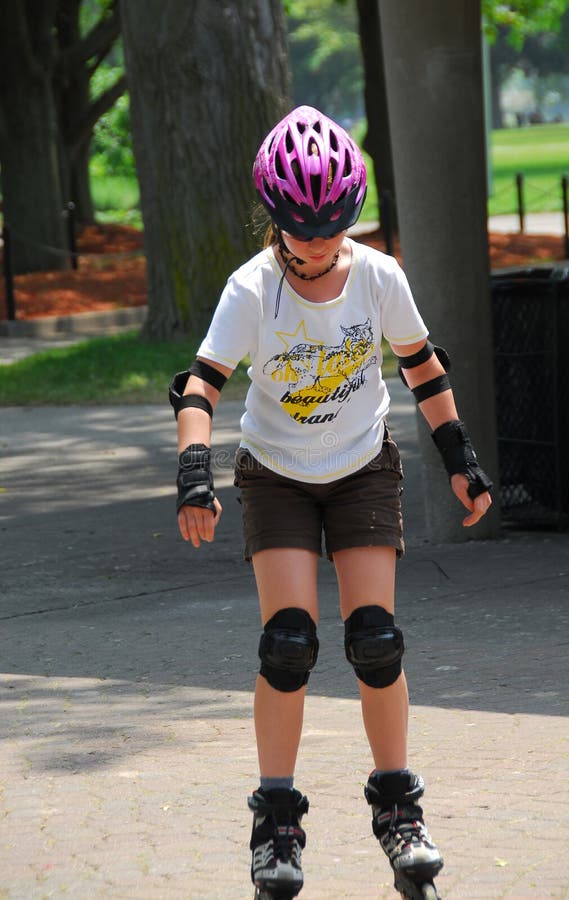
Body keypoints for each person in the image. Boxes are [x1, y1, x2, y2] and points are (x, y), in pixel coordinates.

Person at [171, 105, 492, 900]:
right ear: (273, 216)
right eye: (299, 228)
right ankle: (276, 822)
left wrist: (459, 460)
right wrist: (194, 476)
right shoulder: (252, 288)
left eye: (330, 227)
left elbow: (421, 367)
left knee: (375, 641)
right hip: (276, 474)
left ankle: (399, 812)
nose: (315, 243)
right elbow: (201, 385)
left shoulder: (378, 276)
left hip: (361, 470)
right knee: (287, 645)